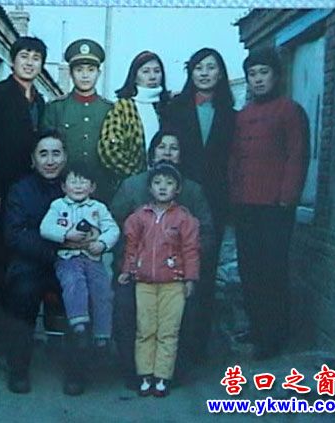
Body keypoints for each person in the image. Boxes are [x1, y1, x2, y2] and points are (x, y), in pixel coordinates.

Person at [110, 128, 214, 386]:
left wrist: (185, 264)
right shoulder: (132, 186)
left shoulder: (193, 191)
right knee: (125, 307)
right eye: (162, 147)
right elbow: (114, 225)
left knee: (187, 312)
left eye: (174, 148)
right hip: (136, 271)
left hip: (176, 273)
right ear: (152, 153)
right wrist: (128, 263)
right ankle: (134, 371)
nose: (167, 152)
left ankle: (171, 372)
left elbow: (207, 233)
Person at [228, 48, 309, 360]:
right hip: (245, 204)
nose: (258, 79)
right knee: (249, 269)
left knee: (272, 269)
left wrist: (287, 198)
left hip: (275, 206)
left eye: (264, 73)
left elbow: (297, 156)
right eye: (252, 74)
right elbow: (234, 159)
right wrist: (234, 198)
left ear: (276, 76)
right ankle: (257, 326)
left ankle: (274, 335)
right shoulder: (242, 116)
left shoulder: (289, 110)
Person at [4, 130, 96, 395]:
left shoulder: (77, 187)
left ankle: (76, 372)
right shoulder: (21, 190)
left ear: (65, 157)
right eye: (43, 154)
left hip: (71, 264)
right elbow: (15, 235)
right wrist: (57, 249)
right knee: (22, 294)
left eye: (56, 153)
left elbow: (94, 222)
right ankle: (18, 369)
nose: (50, 160)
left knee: (82, 293)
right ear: (33, 159)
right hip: (32, 264)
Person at [163, 48, 236, 361]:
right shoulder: (175, 108)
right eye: (198, 68)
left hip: (215, 203)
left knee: (204, 272)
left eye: (211, 67)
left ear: (220, 73)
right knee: (172, 268)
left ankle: (197, 346)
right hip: (179, 196)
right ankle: (170, 341)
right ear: (190, 73)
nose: (205, 73)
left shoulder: (230, 113)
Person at [0, 36, 48, 348]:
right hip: (0, 192)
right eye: (24, 56)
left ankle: (15, 334)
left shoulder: (39, 100)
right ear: (12, 60)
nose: (30, 63)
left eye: (36, 58)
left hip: (28, 193)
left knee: (21, 263)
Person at [118, 163, 200, 397]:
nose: (163, 187)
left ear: (177, 189)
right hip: (144, 283)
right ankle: (145, 374)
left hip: (173, 283)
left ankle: (162, 376)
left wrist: (190, 278)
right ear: (150, 187)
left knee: (168, 331)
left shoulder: (184, 219)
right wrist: (127, 270)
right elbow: (132, 246)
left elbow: (191, 250)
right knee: (145, 329)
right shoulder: (139, 217)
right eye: (157, 183)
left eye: (169, 183)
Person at [39, 164, 120, 351]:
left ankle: (102, 334)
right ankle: (78, 324)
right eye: (73, 182)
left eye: (83, 182)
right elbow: (45, 228)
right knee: (74, 282)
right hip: (68, 258)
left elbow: (113, 229)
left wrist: (102, 243)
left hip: (92, 258)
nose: (78, 186)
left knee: (103, 290)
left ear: (92, 187)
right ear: (64, 186)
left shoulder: (98, 208)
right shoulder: (58, 206)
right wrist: (66, 234)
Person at [41, 39, 117, 203]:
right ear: (70, 73)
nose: (85, 75)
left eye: (91, 70)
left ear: (99, 73)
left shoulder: (111, 110)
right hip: (62, 191)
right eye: (79, 69)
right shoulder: (56, 108)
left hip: (102, 191)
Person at [98, 51, 170, 178]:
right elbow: (109, 149)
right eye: (146, 72)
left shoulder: (169, 106)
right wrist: (136, 176)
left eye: (157, 71)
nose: (152, 77)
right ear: (135, 76)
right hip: (134, 180)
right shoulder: (123, 106)